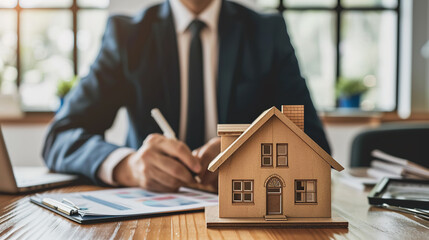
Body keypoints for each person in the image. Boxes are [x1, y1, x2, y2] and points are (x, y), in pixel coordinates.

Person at [42, 0, 331, 192]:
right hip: (146, 216)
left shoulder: (267, 33)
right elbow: (61, 135)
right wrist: (127, 165)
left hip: (242, 215)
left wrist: (254, 154)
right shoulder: (128, 36)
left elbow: (314, 143)